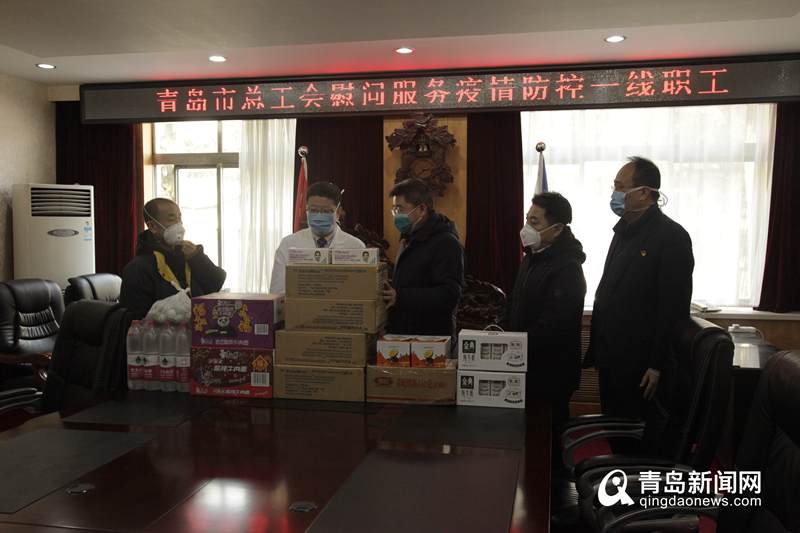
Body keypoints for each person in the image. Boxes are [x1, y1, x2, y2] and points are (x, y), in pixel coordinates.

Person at [585, 156, 694, 420]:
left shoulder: (671, 236)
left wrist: (657, 365)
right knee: (613, 426)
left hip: (641, 364)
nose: (615, 194)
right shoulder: (624, 230)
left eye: (620, 187)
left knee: (634, 433)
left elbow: (673, 308)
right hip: (612, 357)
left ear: (644, 192)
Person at [503, 192, 586, 441]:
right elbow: (516, 302)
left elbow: (555, 324)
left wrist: (515, 345)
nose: (527, 228)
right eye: (527, 219)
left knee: (548, 439)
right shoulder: (533, 256)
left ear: (557, 228)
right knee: (526, 437)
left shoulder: (568, 267)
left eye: (535, 222)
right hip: (525, 363)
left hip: (551, 371)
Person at [120, 198, 226, 320]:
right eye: (171, 219)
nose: (178, 225)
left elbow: (215, 284)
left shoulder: (189, 255)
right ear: (153, 226)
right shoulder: (138, 268)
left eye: (179, 218)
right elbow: (136, 318)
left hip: (198, 326)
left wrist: (197, 258)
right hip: (164, 330)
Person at [383, 179, 464, 337]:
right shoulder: (408, 238)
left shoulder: (446, 242)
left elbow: (449, 295)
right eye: (394, 209)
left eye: (400, 209)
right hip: (404, 332)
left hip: (430, 336)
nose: (396, 215)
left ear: (422, 209)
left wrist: (400, 297)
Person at [270, 181, 364, 293]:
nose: (319, 216)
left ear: (338, 212)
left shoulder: (356, 247)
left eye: (326, 211)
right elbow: (277, 291)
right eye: (313, 210)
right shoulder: (288, 244)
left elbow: (361, 291)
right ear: (306, 210)